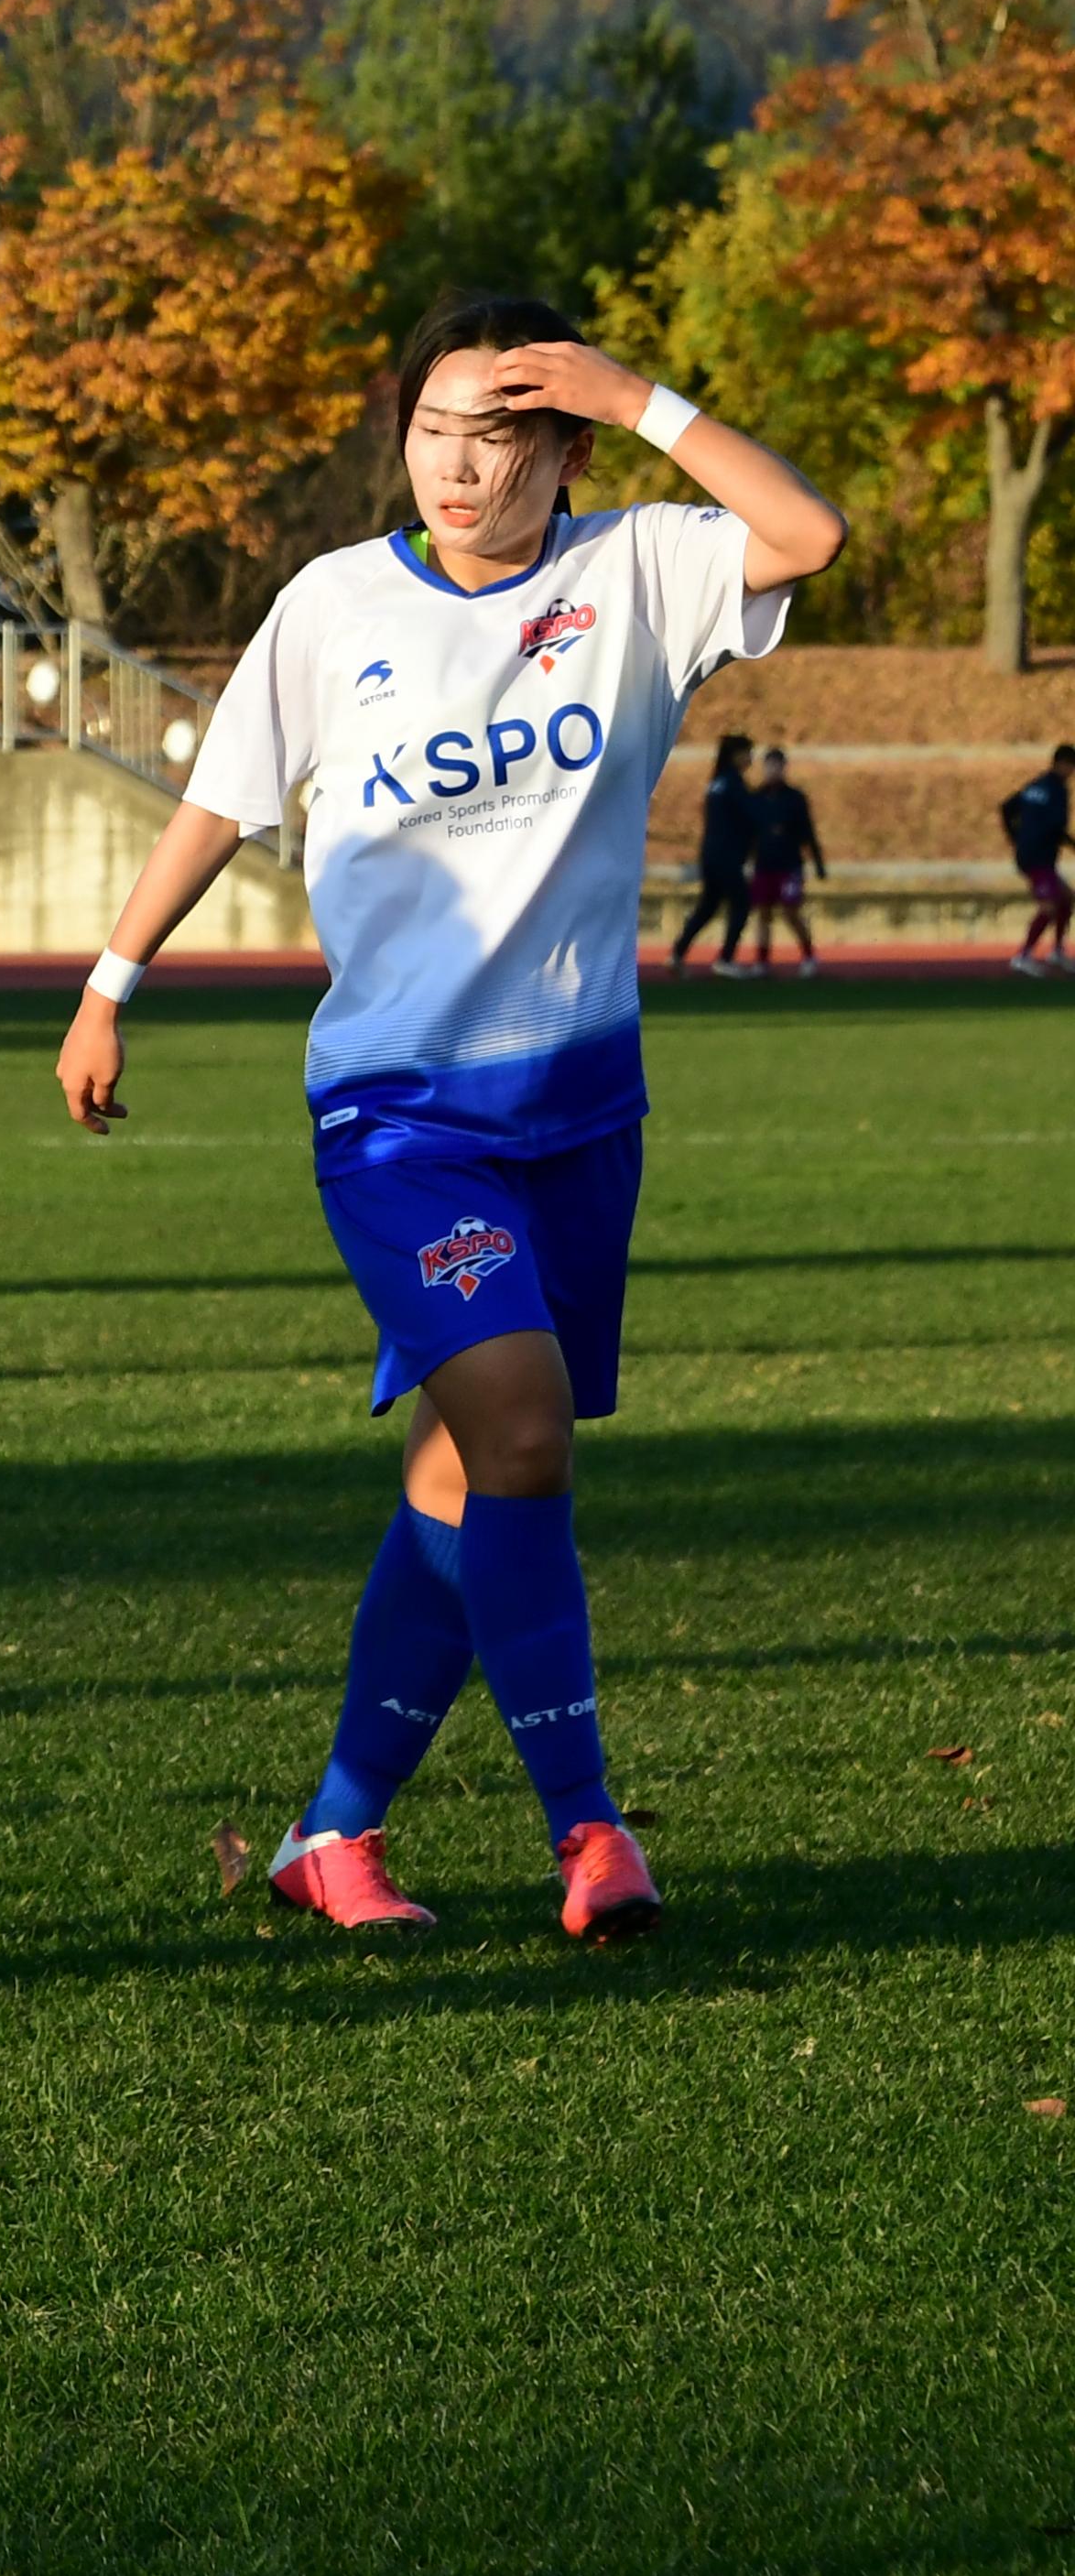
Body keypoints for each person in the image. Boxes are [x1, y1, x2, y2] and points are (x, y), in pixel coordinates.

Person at [61, 292, 840, 1946]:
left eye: (498, 436)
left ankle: (329, 1834)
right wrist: (109, 980)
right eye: (431, 432)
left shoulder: (634, 571)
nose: (457, 468)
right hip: (397, 1116)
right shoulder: (334, 602)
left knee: (454, 1471)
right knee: (524, 1434)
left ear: (561, 449)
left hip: (579, 1110)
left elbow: (807, 529)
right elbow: (219, 797)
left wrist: (640, 395)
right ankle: (590, 1831)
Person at [668, 732, 755, 975]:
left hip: (710, 852)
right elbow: (750, 817)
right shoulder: (733, 783)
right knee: (741, 903)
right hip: (726, 854)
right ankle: (726, 959)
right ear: (736, 755)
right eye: (748, 753)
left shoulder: (715, 782)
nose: (751, 759)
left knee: (708, 905)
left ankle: (678, 952)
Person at [739, 742, 825, 978]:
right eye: (769, 766)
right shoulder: (755, 798)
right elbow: (747, 834)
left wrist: (818, 863)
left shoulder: (795, 799)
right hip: (764, 865)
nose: (773, 771)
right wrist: (745, 861)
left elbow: (808, 832)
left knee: (791, 911)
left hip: (789, 865)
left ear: (784, 768)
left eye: (777, 766)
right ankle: (762, 961)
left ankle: (809, 956)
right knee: (763, 913)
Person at [1007, 743, 1073, 976]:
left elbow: (1007, 807)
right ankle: (1023, 956)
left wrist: (1017, 837)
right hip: (1038, 856)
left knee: (1066, 898)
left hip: (1031, 852)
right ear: (1062, 764)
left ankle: (1056, 951)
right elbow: (1056, 827)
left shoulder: (1037, 785)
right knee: (1049, 906)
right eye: (1070, 767)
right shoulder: (1057, 790)